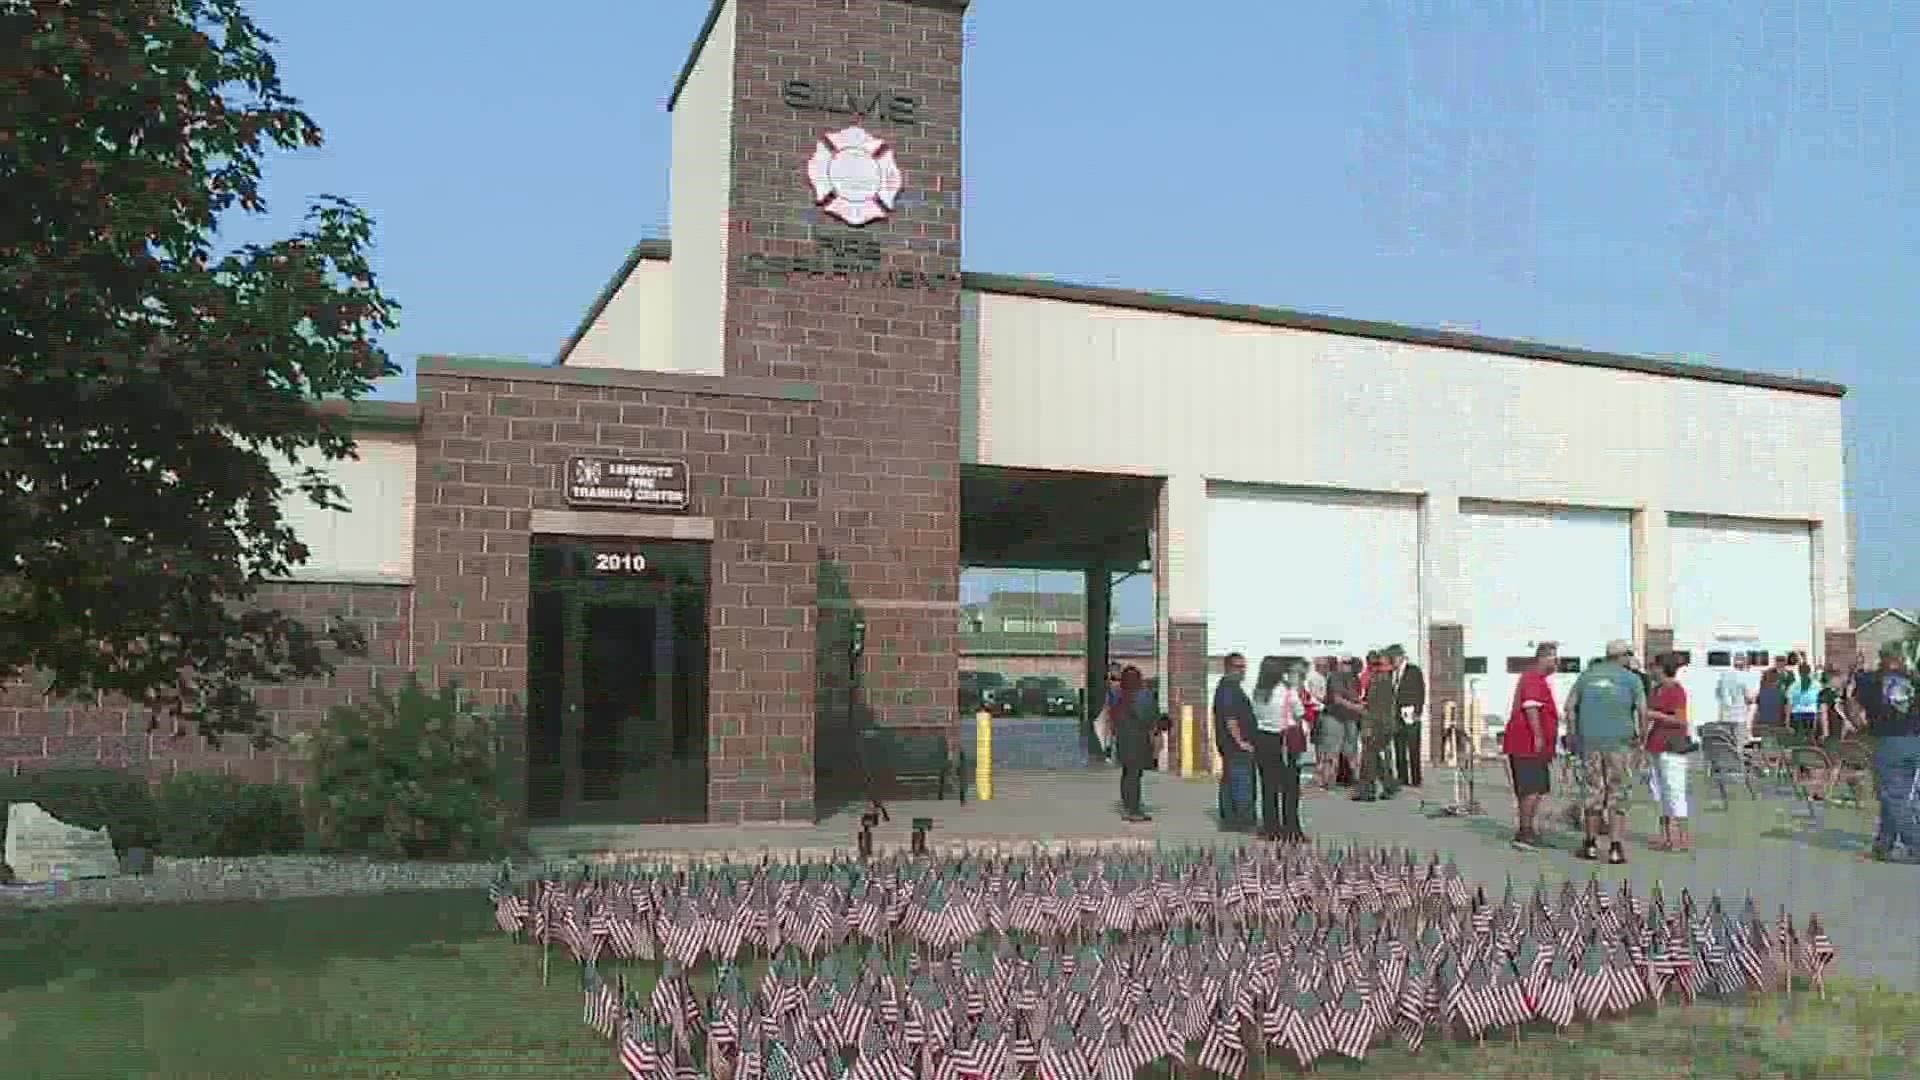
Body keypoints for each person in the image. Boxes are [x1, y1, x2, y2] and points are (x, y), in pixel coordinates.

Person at [1565, 639, 1646, 864]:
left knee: (1593, 792)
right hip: (1620, 744)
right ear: (1624, 655)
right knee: (1617, 794)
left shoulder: (1586, 676)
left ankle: (1590, 844)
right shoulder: (1632, 679)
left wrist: (1572, 735)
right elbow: (1642, 710)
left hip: (1590, 743)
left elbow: (1570, 707)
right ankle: (1615, 847)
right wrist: (1642, 739)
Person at [1853, 641, 1918, 861]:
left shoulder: (1869, 680)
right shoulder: (1914, 680)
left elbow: (1852, 706)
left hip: (1888, 741)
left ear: (1883, 658)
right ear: (1899, 658)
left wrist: (1861, 727)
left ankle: (1915, 842)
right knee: (1898, 796)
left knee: (1893, 796)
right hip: (1914, 740)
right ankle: (1884, 843)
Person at [1505, 642, 1560, 850]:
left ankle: (1526, 828)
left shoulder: (1537, 680)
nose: (1556, 663)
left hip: (1529, 743)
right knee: (1531, 788)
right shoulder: (1532, 678)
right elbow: (1531, 707)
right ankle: (1525, 831)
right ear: (1544, 658)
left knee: (1534, 788)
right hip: (1526, 743)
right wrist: (1538, 736)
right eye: (1554, 658)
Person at [1249, 655, 1308, 842]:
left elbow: (1255, 714)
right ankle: (1291, 829)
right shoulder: (1286, 691)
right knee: (1290, 787)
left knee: (1269, 786)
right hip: (1284, 739)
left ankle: (1271, 828)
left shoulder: (1258, 692)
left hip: (1263, 738)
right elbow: (1300, 712)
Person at [1645, 653, 1692, 852]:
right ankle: (1666, 835)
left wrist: (1656, 715)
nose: (1651, 670)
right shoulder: (1656, 690)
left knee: (1675, 790)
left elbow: (1681, 720)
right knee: (1659, 791)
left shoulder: (1676, 691)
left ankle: (1681, 837)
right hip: (1656, 744)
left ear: (1662, 668)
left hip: (1672, 745)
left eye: (1654, 667)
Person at [1210, 653, 1256, 831]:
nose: (1242, 671)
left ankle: (1229, 819)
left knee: (1230, 780)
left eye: (1243, 667)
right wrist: (1241, 741)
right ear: (1228, 668)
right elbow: (1230, 718)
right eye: (1238, 667)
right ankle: (1244, 821)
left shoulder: (1230, 687)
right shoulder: (1229, 688)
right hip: (1235, 746)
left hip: (1230, 745)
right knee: (1241, 782)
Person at [1111, 666, 1158, 823]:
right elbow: (1147, 717)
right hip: (1138, 740)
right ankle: (1134, 810)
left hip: (1122, 739)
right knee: (1135, 776)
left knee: (1127, 774)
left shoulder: (1118, 695)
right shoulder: (1142, 695)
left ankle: (1128, 805)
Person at [1355, 652, 1401, 802]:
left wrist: (1368, 725)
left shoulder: (1382, 681)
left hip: (1378, 725)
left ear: (1387, 666)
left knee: (1368, 757)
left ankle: (1367, 791)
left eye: (1379, 664)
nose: (1374, 667)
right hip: (1381, 724)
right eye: (1373, 664)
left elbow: (1377, 708)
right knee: (1373, 757)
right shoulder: (1382, 679)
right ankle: (1389, 786)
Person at [1385, 644, 1427, 788]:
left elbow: (1421, 691)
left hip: (1410, 713)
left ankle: (1416, 778)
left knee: (1413, 747)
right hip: (1396, 714)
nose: (1392, 660)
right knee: (1399, 746)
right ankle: (1402, 777)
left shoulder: (1413, 671)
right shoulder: (1390, 673)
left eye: (1393, 657)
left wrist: (1418, 711)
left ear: (1400, 657)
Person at [1318, 656, 1360, 791]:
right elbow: (1337, 698)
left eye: (1350, 664)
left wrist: (1358, 705)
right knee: (1332, 750)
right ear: (1341, 664)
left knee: (1350, 750)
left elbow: (1356, 696)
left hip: (1350, 717)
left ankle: (1351, 777)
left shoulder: (1354, 678)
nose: (1348, 666)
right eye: (1346, 663)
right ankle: (1327, 780)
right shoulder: (1335, 677)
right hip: (1334, 717)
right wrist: (1357, 707)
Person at [1716, 653, 1756, 746]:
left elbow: (1718, 694)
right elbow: (1748, 697)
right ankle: (1738, 757)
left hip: (1725, 714)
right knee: (1739, 742)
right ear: (1744, 663)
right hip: (1739, 715)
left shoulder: (1723, 675)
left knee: (1727, 741)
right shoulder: (1743, 676)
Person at [1787, 658, 1821, 739]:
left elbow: (1789, 703)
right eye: (1803, 672)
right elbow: (1790, 703)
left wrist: (1787, 721)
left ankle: (1805, 734)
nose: (1804, 674)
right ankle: (1806, 734)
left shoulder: (1794, 685)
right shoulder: (1816, 684)